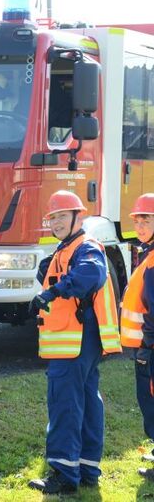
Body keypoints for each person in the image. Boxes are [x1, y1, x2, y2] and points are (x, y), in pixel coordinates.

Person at [28, 190, 121, 494]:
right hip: (81, 341)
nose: (55, 222)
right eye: (52, 217)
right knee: (86, 401)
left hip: (75, 341)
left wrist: (53, 292)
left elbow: (92, 274)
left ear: (77, 217)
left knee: (66, 403)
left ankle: (64, 474)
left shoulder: (85, 247)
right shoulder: (67, 248)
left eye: (61, 216)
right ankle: (86, 469)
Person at [119, 194, 154, 480]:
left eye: (147, 220)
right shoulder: (149, 254)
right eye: (138, 221)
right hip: (147, 347)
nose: (141, 226)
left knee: (151, 403)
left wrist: (146, 347)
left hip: (149, 350)